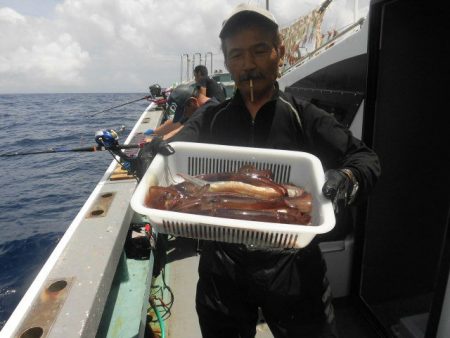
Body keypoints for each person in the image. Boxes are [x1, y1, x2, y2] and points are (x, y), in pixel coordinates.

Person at [172, 4, 380, 338]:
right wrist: (151, 153)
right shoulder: (211, 117)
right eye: (237, 55)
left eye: (259, 50)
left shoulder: (303, 115)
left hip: (293, 262)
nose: (249, 64)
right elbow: (172, 152)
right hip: (223, 262)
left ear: (279, 52)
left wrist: (347, 179)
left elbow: (366, 160)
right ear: (226, 63)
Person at [144, 83, 219, 141]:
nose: (185, 116)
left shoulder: (209, 112)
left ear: (192, 102)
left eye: (184, 113)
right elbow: (175, 123)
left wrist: (154, 141)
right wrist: (153, 133)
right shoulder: (193, 108)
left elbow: (182, 132)